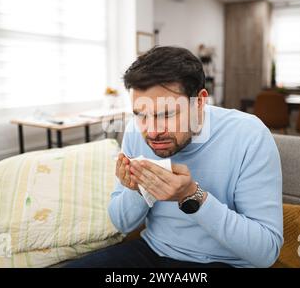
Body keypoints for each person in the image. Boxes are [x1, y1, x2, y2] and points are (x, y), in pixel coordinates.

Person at [65, 46, 283, 268]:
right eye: (141, 115)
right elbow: (122, 223)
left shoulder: (249, 135)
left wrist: (191, 196)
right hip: (152, 251)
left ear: (199, 102)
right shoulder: (135, 132)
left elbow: (266, 252)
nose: (152, 131)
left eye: (166, 114)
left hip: (226, 263)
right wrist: (138, 190)